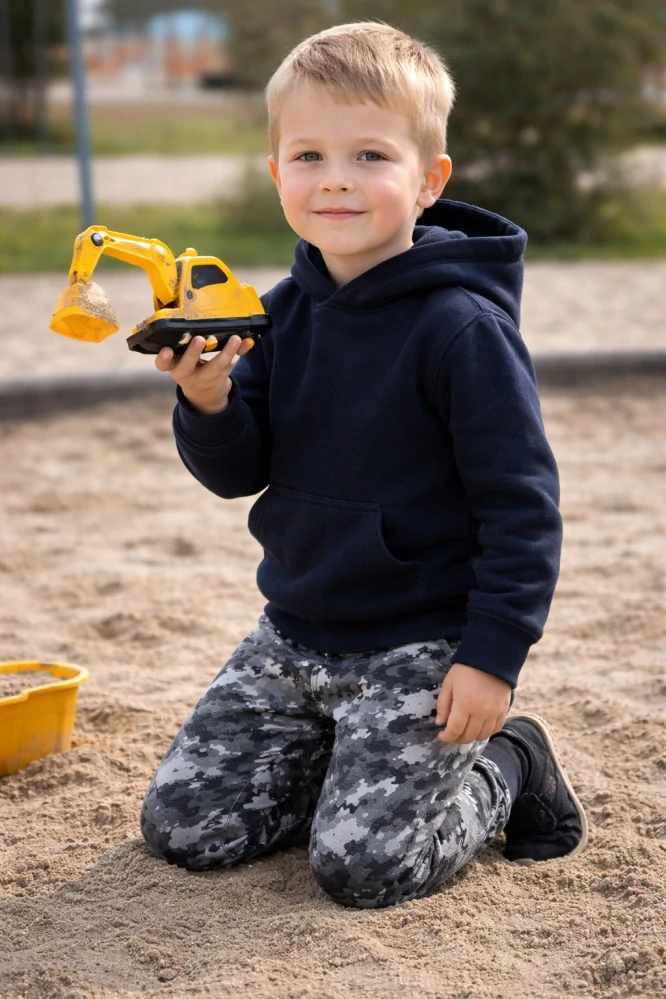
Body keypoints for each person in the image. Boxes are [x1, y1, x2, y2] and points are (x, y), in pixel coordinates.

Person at [140, 21, 588, 908]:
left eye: (371, 154)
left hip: (422, 643)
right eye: (307, 154)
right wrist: (208, 401)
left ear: (429, 181)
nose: (335, 177)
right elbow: (239, 471)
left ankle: (511, 762)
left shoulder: (462, 329)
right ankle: (350, 767)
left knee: (365, 868)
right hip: (295, 630)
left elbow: (522, 508)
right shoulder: (275, 314)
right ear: (277, 176)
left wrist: (493, 657)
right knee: (185, 827)